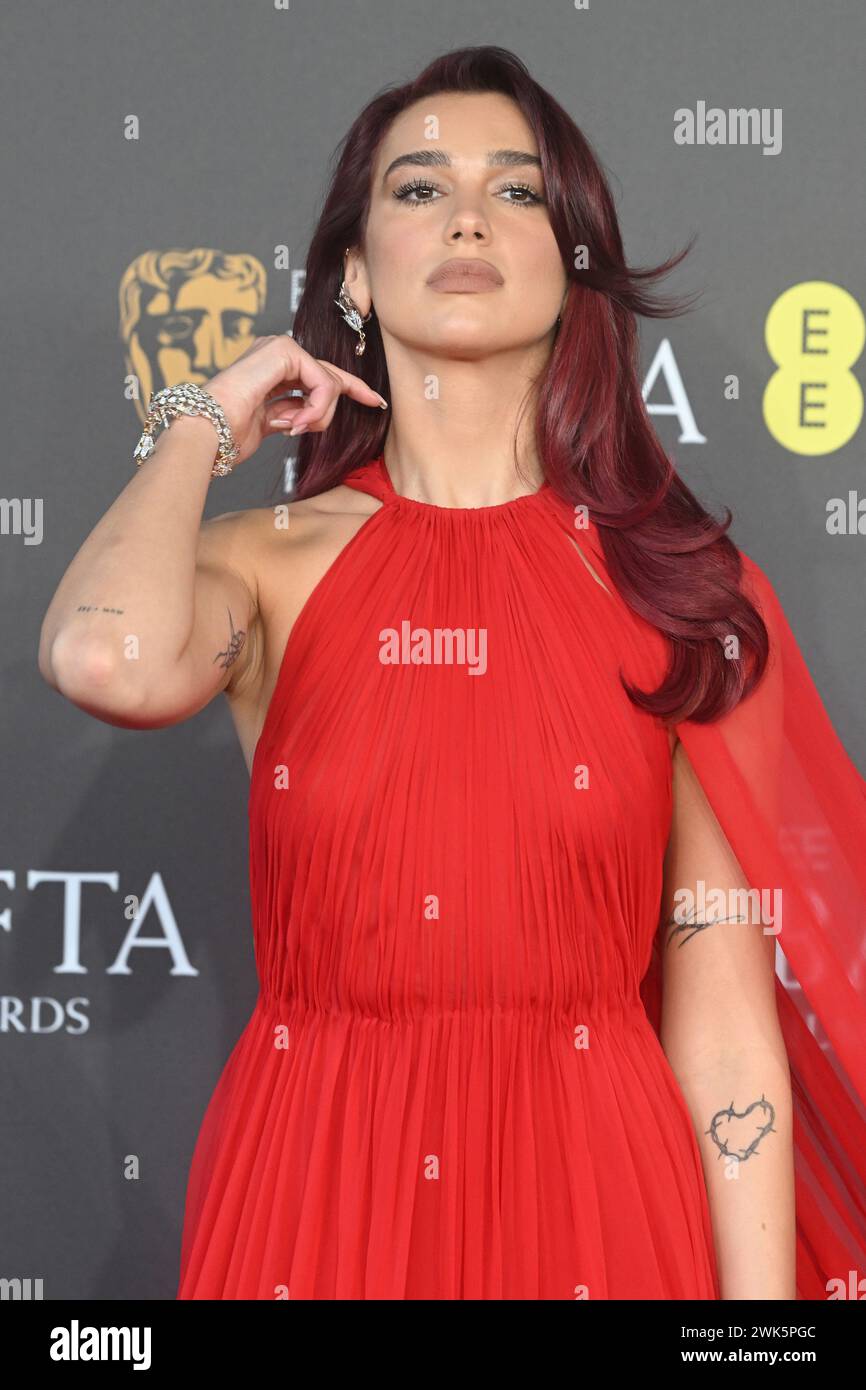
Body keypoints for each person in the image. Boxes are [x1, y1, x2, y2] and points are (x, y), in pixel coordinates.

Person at [38, 46, 866, 1300]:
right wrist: (208, 420)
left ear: (574, 258)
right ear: (356, 275)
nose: (468, 214)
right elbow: (103, 653)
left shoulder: (673, 590)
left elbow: (723, 1025)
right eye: (418, 188)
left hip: (597, 1195)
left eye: (516, 192)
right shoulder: (267, 566)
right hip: (315, 1189)